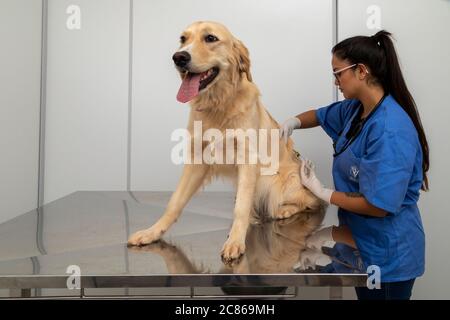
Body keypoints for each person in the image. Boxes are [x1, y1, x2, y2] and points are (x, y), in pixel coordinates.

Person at [281, 30, 429, 300]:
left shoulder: (389, 130)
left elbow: (379, 205)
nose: (335, 81)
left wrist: (322, 192)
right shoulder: (356, 109)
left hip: (388, 256)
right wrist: (291, 123)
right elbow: (319, 115)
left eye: (339, 73)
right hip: (361, 244)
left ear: (361, 71)